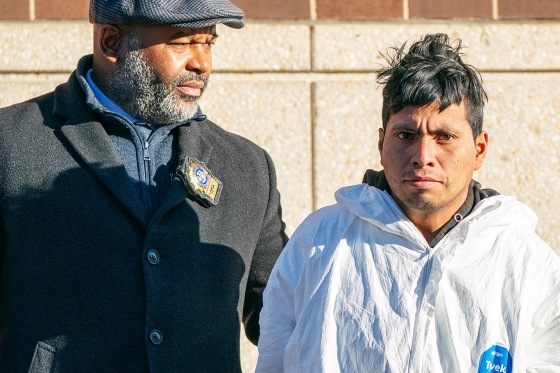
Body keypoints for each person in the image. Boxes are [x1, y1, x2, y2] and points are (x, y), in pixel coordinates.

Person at [0, 0, 288, 371]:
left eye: (209, 43)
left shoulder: (249, 166)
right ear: (111, 42)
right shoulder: (10, 143)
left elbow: (285, 314)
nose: (202, 62)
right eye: (181, 43)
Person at [256, 33, 560, 372]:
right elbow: (274, 359)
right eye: (406, 135)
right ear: (381, 141)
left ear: (479, 149)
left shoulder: (526, 264)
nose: (423, 156)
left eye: (444, 137)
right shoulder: (321, 243)